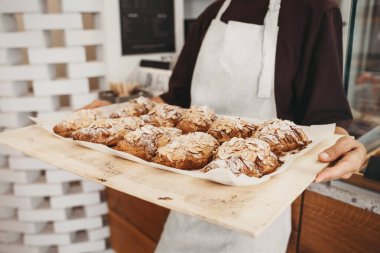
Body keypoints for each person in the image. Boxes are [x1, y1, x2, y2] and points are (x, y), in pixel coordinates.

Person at [85, 0, 366, 252]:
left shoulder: (314, 11)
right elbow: (176, 100)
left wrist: (343, 144)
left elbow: (325, 118)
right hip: (187, 197)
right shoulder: (212, 13)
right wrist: (119, 113)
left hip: (255, 209)